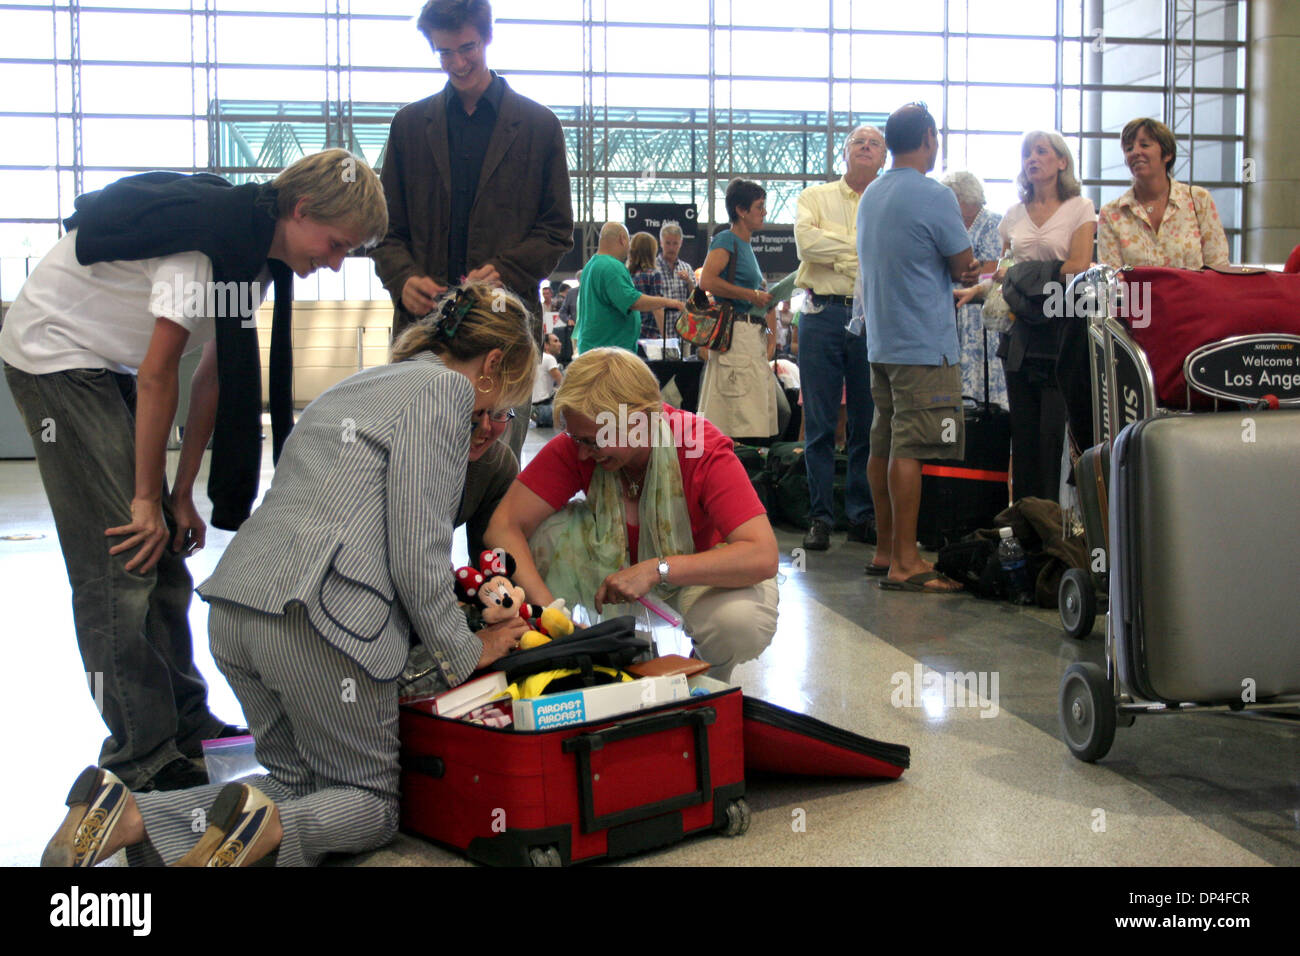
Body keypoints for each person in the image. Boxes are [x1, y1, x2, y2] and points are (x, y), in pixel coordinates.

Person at [42, 283, 536, 868]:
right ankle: (267, 832)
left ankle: (131, 814)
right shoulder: (446, 393)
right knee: (371, 803)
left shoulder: (362, 383)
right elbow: (417, 549)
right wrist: (465, 648)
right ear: (493, 365)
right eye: (505, 400)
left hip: (237, 603)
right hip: (319, 618)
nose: (495, 418)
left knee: (299, 786)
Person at [2, 148, 386, 793]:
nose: (334, 263)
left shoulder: (253, 257)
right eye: (336, 243)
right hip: (54, 353)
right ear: (300, 211)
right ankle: (139, 754)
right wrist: (145, 499)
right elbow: (160, 377)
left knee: (165, 556)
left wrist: (182, 497)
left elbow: (213, 376)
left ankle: (183, 720)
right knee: (122, 560)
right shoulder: (203, 248)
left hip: (109, 363)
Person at [484, 348, 779, 682]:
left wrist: (658, 568)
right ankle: (578, 654)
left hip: (697, 574)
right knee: (539, 536)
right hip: (613, 573)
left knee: (737, 621)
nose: (582, 452)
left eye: (593, 441)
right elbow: (503, 527)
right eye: (576, 439)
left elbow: (763, 554)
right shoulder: (582, 442)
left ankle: (709, 669)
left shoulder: (699, 446)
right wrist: (554, 615)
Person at [371, 0, 574, 464]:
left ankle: (493, 542)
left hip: (504, 330)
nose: (458, 63)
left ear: (486, 39)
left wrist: (504, 269)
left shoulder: (540, 127)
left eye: (467, 48)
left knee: (497, 475)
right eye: (444, 53)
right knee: (413, 471)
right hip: (424, 333)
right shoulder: (408, 126)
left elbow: (558, 228)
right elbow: (383, 230)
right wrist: (403, 278)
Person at [856, 103, 976, 593]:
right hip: (923, 345)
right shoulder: (935, 195)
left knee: (883, 440)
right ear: (929, 137)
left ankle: (886, 549)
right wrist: (961, 269)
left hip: (881, 342)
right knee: (911, 448)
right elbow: (964, 265)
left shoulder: (871, 195)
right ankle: (907, 562)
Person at [962, 130, 1094, 502]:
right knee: (1024, 434)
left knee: (1052, 434)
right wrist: (979, 288)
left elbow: (1079, 266)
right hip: (1019, 331)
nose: (1032, 159)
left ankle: (1052, 519)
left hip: (1061, 328)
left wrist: (1021, 274)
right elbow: (1001, 272)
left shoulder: (1080, 208)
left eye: (1041, 152)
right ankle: (1025, 519)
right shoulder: (1013, 215)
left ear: (1062, 162)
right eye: (1027, 154)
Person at [793, 125, 886, 550]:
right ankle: (820, 516)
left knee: (868, 423)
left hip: (873, 317)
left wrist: (843, 253)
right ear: (844, 152)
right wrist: (858, 254)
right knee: (820, 423)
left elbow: (886, 252)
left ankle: (861, 514)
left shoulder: (887, 200)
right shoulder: (815, 196)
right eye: (859, 142)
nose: (866, 147)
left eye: (875, 144)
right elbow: (806, 245)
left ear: (884, 157)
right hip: (821, 313)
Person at [697, 180, 779, 446]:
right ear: (741, 210)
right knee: (734, 411)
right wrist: (751, 295)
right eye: (759, 207)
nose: (764, 212)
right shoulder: (726, 240)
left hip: (747, 333)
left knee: (748, 410)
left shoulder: (745, 245)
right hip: (734, 334)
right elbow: (707, 281)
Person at [1097, 117, 1230, 270]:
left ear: (1167, 154)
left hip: (1194, 294)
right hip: (1136, 295)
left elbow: (1218, 265)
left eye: (1144, 145)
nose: (1135, 152)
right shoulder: (1111, 213)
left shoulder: (1199, 200)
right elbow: (1111, 281)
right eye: (1129, 148)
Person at [941, 170, 1009, 410]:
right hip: (956, 310)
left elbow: (999, 264)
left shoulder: (994, 222)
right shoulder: (950, 224)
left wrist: (977, 270)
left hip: (982, 311)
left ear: (962, 198)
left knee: (986, 384)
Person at [574, 222, 685, 354]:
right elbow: (632, 301)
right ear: (622, 239)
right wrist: (669, 302)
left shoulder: (591, 265)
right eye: (628, 242)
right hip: (609, 353)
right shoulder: (611, 266)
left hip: (596, 347)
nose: (629, 248)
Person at [656, 220, 696, 343]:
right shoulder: (652, 267)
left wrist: (689, 281)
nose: (671, 248)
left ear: (681, 243)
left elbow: (696, 299)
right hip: (657, 334)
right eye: (668, 243)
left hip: (682, 335)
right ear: (661, 242)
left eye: (675, 243)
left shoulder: (687, 268)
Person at [627, 231, 667, 341]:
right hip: (649, 336)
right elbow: (657, 307)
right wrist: (667, 340)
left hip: (630, 334)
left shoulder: (626, 274)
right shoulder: (654, 274)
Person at [531, 331, 563, 427]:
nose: (560, 344)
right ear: (546, 345)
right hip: (544, 409)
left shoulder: (537, 358)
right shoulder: (549, 358)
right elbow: (563, 384)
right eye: (555, 341)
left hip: (534, 410)